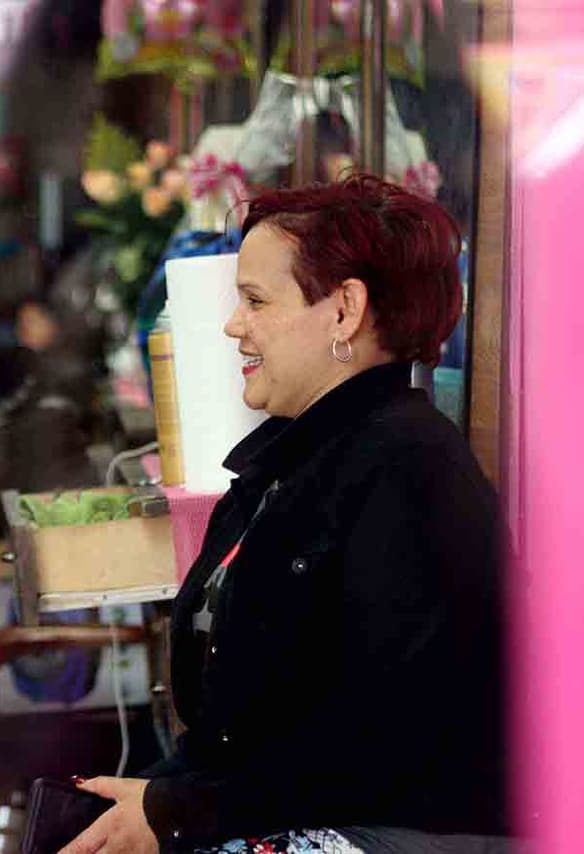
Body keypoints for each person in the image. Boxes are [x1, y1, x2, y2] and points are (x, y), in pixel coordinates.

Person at [62, 175, 507, 854]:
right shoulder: (290, 461)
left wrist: (181, 808)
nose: (233, 325)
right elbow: (240, 736)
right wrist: (153, 797)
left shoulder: (410, 470)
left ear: (344, 312)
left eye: (256, 300)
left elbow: (387, 742)